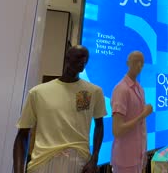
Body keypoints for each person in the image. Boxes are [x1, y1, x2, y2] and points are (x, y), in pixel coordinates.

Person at [13, 45, 107, 173]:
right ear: (67, 58)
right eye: (79, 57)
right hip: (43, 161)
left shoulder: (94, 92)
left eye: (86, 59)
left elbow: (99, 125)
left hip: (78, 161)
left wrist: (94, 159)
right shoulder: (38, 93)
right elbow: (22, 134)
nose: (83, 61)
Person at [111, 51, 153, 173]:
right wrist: (143, 115)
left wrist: (143, 152)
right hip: (125, 160)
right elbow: (117, 130)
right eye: (136, 62)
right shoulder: (121, 89)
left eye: (142, 63)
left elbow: (141, 128)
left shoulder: (139, 89)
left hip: (138, 157)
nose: (139, 66)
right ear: (128, 63)